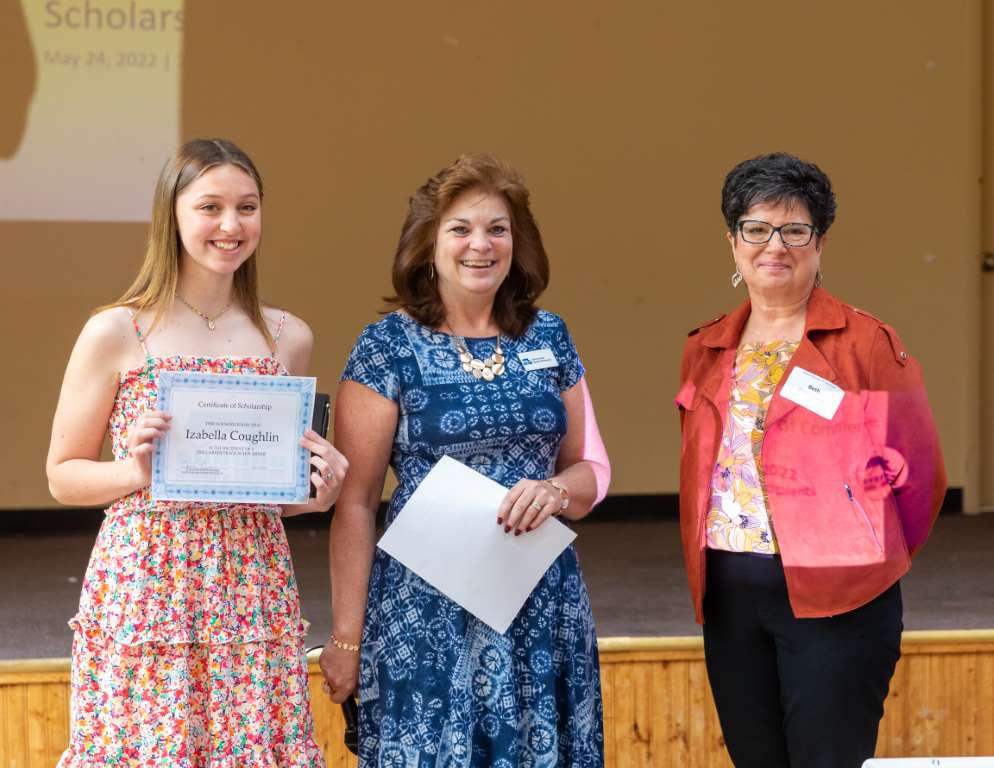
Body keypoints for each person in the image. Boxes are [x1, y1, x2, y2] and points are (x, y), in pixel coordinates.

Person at [47, 138, 347, 767]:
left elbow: (265, 491)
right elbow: (63, 477)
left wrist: (316, 494)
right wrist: (135, 471)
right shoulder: (118, 329)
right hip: (147, 582)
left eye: (247, 207)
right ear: (172, 215)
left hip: (251, 581)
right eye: (210, 207)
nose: (231, 225)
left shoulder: (288, 336)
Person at [319, 153, 611, 766]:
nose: (481, 244)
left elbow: (587, 472)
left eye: (497, 229)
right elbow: (356, 503)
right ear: (427, 244)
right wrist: (346, 638)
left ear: (517, 243)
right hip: (427, 611)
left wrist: (556, 491)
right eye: (460, 229)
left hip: (539, 603)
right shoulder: (386, 346)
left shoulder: (549, 335)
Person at [676, 152, 947, 767]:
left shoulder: (865, 344)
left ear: (820, 242)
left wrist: (863, 565)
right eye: (756, 229)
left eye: (795, 230)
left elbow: (918, 477)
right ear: (732, 240)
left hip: (840, 600)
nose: (775, 246)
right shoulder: (706, 348)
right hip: (729, 597)